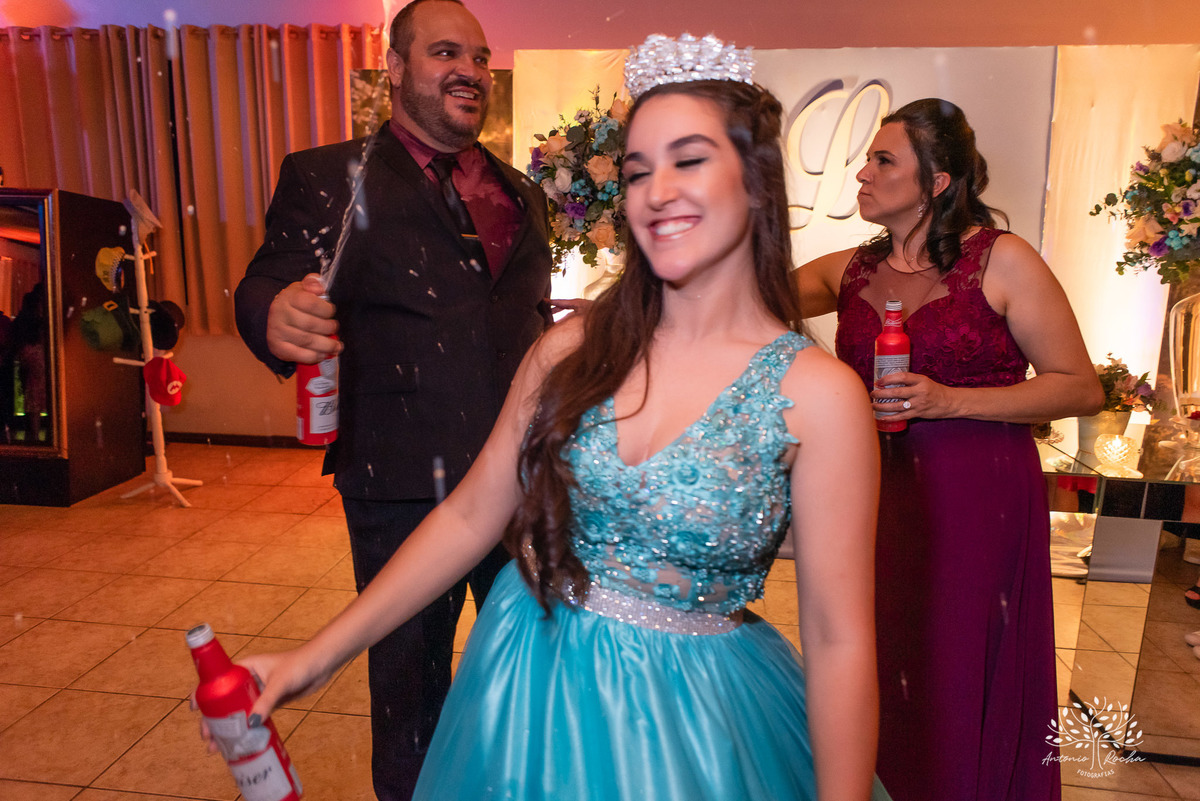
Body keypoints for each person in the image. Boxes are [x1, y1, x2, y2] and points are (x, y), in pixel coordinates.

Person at [225, 34, 891, 800]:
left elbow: (840, 641)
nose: (656, 190)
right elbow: (472, 512)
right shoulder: (572, 348)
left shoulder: (821, 395)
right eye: (637, 171)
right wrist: (312, 656)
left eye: (690, 159)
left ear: (758, 183)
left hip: (697, 718)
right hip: (530, 695)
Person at [232, 2, 552, 798]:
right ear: (395, 68)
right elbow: (270, 278)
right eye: (446, 52)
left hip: (527, 477)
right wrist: (272, 314)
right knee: (411, 691)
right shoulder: (328, 176)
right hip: (403, 480)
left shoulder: (522, 193)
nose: (470, 71)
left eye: (480, 57)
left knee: (544, 666)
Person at [795, 98, 1104, 800]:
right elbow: (740, 302)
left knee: (956, 658)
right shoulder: (849, 269)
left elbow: (1080, 387)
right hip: (873, 492)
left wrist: (950, 399)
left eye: (883, 160)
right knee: (876, 651)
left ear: (936, 181)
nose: (862, 174)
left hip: (976, 495)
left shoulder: (1003, 260)